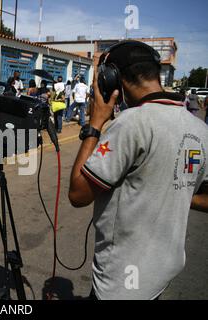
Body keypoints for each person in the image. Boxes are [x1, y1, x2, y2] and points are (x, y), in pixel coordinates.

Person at [68, 41, 208, 300]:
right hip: (162, 273)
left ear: (113, 79)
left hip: (120, 283)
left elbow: (78, 194)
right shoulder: (200, 129)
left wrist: (95, 125)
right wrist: (169, 192)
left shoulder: (131, 123)